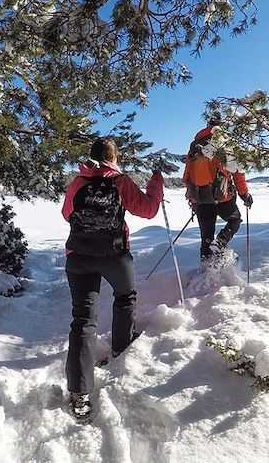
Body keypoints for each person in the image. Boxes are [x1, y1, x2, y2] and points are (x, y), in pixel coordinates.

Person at [61, 137, 164, 422]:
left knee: (83, 320)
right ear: (114, 157)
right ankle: (121, 345)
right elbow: (148, 209)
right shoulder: (120, 181)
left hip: (79, 257)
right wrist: (156, 182)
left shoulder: (78, 182)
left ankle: (79, 392)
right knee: (125, 296)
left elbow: (67, 213)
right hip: (114, 255)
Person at [182, 117, 253, 261]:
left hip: (201, 199)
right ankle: (221, 242)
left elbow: (186, 175)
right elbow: (238, 172)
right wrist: (244, 195)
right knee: (235, 220)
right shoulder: (225, 144)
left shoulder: (195, 146)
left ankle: (206, 271)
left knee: (206, 238)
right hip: (222, 198)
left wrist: (193, 198)